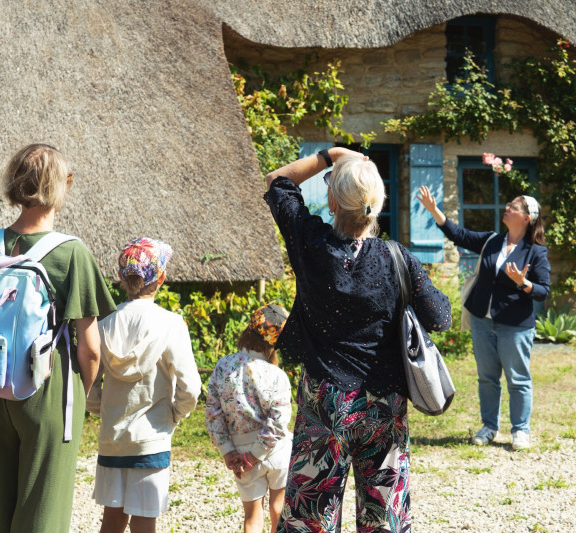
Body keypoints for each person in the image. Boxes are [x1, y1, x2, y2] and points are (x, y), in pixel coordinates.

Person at [263, 147, 451, 532]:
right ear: (377, 205)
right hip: (384, 406)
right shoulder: (398, 258)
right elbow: (441, 317)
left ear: (332, 201)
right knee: (385, 520)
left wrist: (330, 154)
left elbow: (278, 182)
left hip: (326, 402)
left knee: (309, 522)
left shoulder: (312, 246)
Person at [0, 143, 116, 533]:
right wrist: (79, 393)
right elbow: (91, 347)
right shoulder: (71, 254)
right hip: (46, 389)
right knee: (42, 510)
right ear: (63, 185)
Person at [417, 185, 550, 450]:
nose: (507, 208)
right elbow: (460, 235)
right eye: (508, 204)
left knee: (518, 379)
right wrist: (434, 211)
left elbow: (543, 291)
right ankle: (489, 426)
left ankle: (520, 430)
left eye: (514, 206)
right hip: (482, 320)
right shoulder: (492, 241)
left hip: (515, 325)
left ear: (526, 218)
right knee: (487, 378)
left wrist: (523, 283)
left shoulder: (536, 251)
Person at [86, 237, 202, 533]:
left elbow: (89, 385)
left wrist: (104, 410)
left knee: (111, 521)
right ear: (160, 278)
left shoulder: (104, 325)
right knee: (144, 522)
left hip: (112, 440)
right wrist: (174, 414)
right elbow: (190, 387)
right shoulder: (171, 324)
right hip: (151, 439)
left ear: (123, 278)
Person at [205, 304, 293, 533]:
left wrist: (228, 451)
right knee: (278, 507)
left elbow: (213, 412)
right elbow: (279, 422)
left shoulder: (223, 366)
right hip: (275, 451)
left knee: (252, 517)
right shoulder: (277, 375)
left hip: (239, 450)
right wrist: (256, 455)